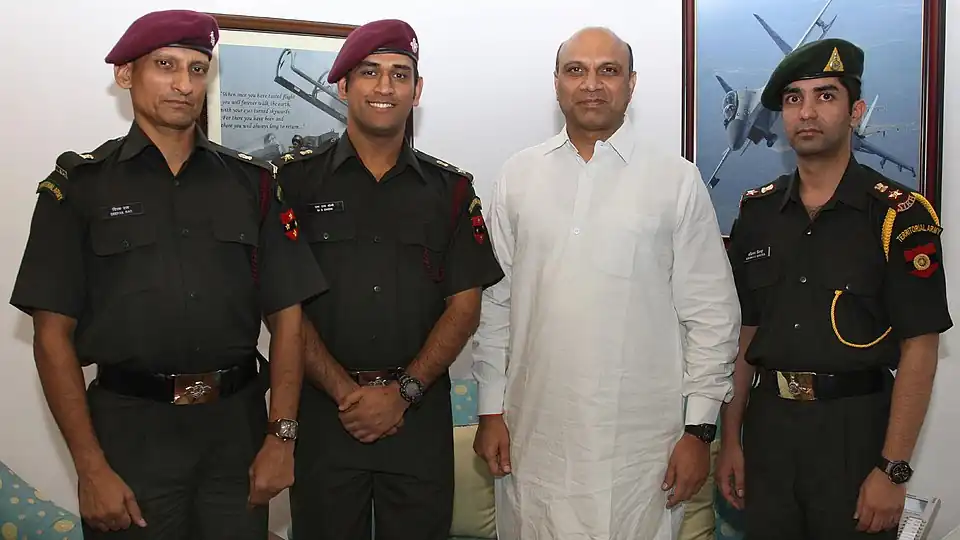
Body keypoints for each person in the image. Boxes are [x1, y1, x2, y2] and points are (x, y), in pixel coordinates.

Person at [8, 9, 328, 539]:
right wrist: (89, 468)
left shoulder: (254, 184)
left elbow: (288, 317)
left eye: (198, 68)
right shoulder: (79, 187)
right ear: (126, 74)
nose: (184, 84)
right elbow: (51, 336)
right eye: (165, 65)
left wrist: (282, 437)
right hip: (129, 435)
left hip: (236, 432)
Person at [471, 26, 741, 540]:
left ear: (632, 85)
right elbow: (495, 304)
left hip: (643, 448)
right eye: (577, 70)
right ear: (556, 84)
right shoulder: (518, 176)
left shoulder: (676, 180)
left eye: (608, 71)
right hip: (535, 438)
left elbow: (711, 315)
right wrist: (490, 410)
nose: (591, 84)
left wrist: (698, 430)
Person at [274, 19, 505, 540]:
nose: (384, 87)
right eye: (369, 73)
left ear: (417, 91)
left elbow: (465, 306)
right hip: (325, 418)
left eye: (400, 75)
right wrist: (346, 394)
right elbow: (284, 308)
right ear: (343, 86)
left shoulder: (450, 190)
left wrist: (400, 394)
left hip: (417, 418)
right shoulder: (294, 182)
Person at [715, 38, 952, 539]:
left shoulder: (897, 214)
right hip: (770, 432)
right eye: (794, 99)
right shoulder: (757, 214)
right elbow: (745, 336)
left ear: (855, 111)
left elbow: (921, 347)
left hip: (856, 434)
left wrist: (893, 471)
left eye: (825, 96)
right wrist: (731, 440)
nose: (807, 111)